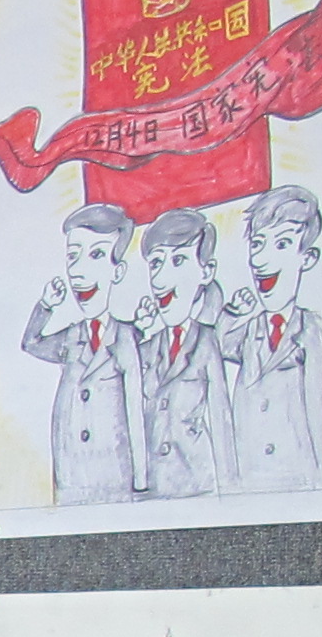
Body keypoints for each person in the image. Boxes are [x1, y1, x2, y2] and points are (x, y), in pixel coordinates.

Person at [17, 204, 146, 502]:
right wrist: (45, 307)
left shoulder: (124, 337)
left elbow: (135, 406)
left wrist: (141, 480)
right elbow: (31, 343)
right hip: (71, 474)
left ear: (117, 271)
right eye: (72, 256)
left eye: (96, 255)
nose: (78, 270)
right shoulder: (71, 337)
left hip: (113, 474)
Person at [220, 184, 322, 493]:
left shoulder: (309, 328)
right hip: (249, 475)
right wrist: (230, 313)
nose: (261, 258)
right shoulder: (251, 329)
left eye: (282, 244)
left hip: (296, 473)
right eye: (257, 244)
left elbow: (317, 408)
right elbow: (217, 349)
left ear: (307, 258)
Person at [133, 210, 236, 498]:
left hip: (196, 483)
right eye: (156, 263)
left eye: (178, 260)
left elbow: (221, 419)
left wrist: (231, 493)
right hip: (149, 486)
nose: (161, 276)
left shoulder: (207, 341)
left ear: (206, 272)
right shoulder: (145, 348)